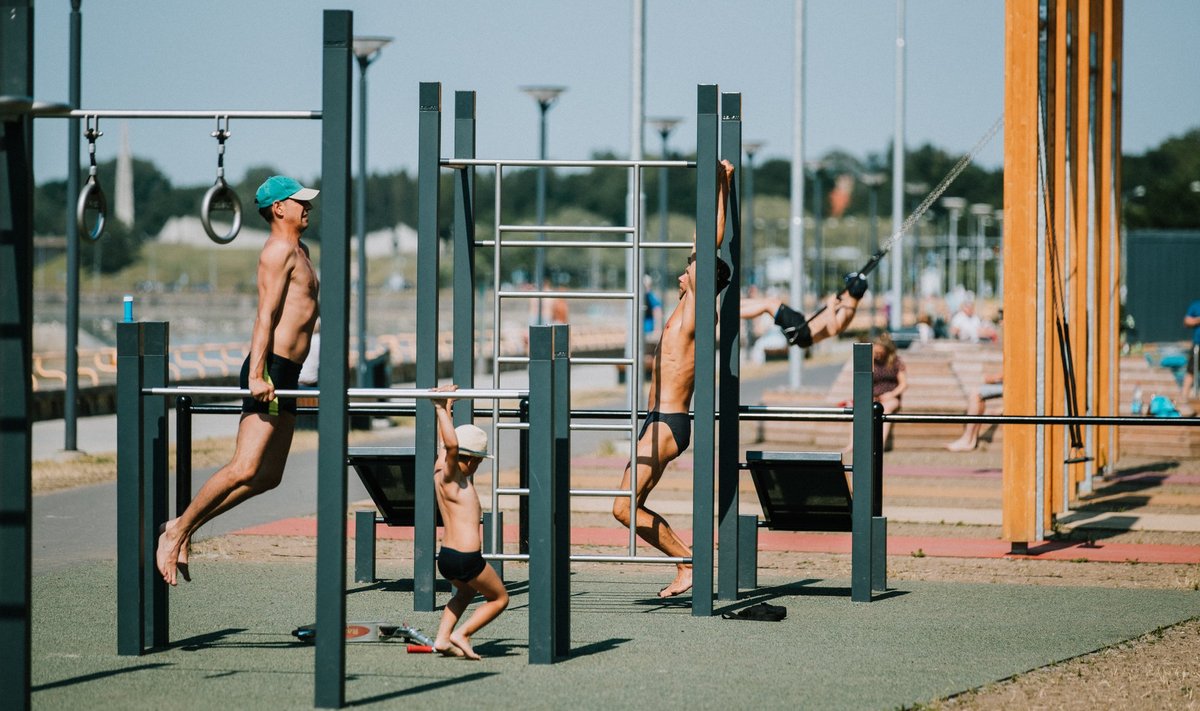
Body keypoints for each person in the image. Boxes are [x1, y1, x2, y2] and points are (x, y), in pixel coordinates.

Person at [155, 176, 320, 586]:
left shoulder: (302, 250)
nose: (307, 207)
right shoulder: (278, 251)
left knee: (268, 476)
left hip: (291, 373)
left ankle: (183, 525)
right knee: (244, 466)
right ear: (278, 208)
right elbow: (264, 315)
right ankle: (175, 531)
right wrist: (255, 374)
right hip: (272, 370)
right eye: (300, 202)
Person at [430, 385, 508, 659]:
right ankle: (462, 633)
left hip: (446, 558)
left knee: (464, 594)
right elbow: (451, 445)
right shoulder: (454, 479)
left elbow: (445, 444)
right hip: (466, 558)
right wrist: (439, 407)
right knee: (499, 598)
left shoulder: (440, 470)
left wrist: (447, 406)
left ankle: (442, 639)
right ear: (473, 460)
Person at [738, 272, 868, 349]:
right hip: (803, 325)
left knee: (770, 305)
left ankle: (732, 312)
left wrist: (830, 307)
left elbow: (835, 329)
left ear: (849, 290)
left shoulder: (848, 310)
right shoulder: (845, 306)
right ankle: (735, 305)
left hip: (803, 331)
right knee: (771, 302)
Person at [865, 333, 906, 450]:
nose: (877, 355)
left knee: (886, 409)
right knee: (859, 410)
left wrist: (891, 394)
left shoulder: (896, 362)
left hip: (890, 396)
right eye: (875, 351)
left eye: (879, 352)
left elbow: (903, 384)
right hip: (874, 397)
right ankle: (853, 444)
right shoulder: (871, 361)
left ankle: (879, 444)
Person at [1183, 299, 1200, 400]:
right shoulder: (1196, 305)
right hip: (1198, 345)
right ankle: (1184, 398)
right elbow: (1186, 321)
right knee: (1191, 371)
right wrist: (1198, 320)